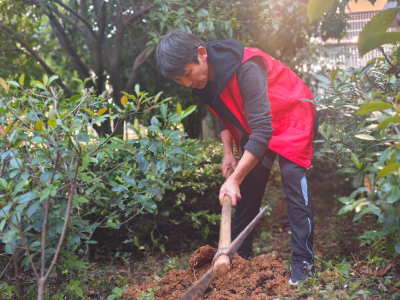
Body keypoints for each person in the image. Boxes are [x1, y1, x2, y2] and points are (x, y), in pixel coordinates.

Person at [155, 29, 318, 285]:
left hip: (291, 113)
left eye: (187, 74)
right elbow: (222, 112)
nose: (187, 84)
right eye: (179, 81)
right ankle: (240, 259)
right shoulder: (202, 79)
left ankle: (304, 263)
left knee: (292, 180)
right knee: (247, 187)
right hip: (257, 123)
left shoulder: (246, 67)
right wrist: (228, 153)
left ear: (201, 54)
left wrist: (234, 178)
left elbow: (263, 131)